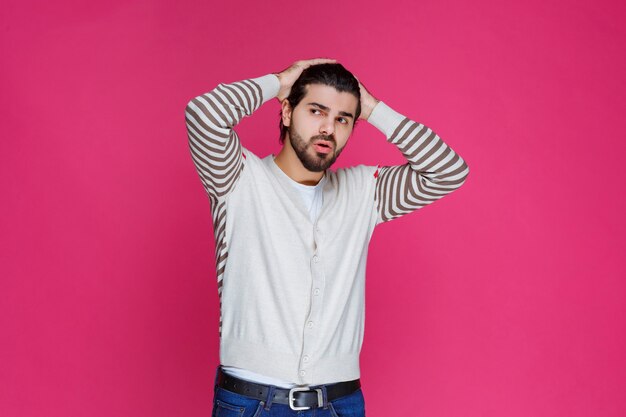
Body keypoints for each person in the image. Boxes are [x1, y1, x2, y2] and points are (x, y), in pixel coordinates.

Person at [184, 58, 470, 416]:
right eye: (316, 111)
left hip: (339, 403)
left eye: (342, 119)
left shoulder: (366, 191)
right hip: (251, 403)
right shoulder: (237, 178)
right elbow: (203, 114)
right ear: (287, 112)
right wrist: (281, 80)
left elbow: (448, 171)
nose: (328, 128)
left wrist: (374, 109)